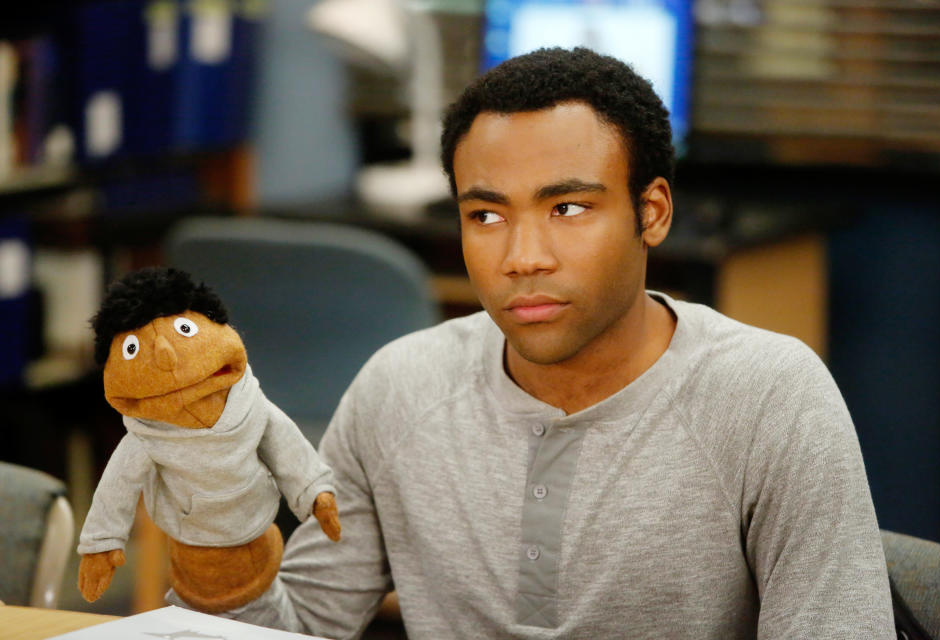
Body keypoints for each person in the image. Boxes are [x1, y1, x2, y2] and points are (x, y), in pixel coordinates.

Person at [198, 47, 896, 638]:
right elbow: (291, 626)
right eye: (486, 214)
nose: (522, 256)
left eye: (568, 208)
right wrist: (219, 547)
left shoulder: (769, 397)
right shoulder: (400, 387)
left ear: (650, 213)